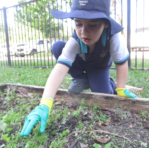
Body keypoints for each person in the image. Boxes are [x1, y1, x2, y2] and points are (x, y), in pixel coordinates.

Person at [20, 0, 137, 137]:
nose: (83, 32)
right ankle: (81, 79)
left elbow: (121, 62)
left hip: (99, 68)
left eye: (92, 25)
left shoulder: (113, 36)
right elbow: (59, 69)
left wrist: (121, 88)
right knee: (58, 47)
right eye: (78, 23)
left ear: (105, 24)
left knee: (103, 95)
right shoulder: (75, 40)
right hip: (81, 63)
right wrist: (45, 103)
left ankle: (109, 83)